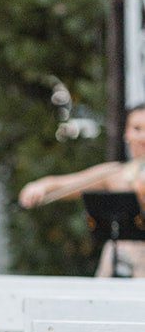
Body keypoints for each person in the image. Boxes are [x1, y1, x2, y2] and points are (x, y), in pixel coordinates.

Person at [19, 103, 145, 276]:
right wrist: (40, 186)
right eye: (137, 128)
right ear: (127, 133)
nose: (142, 137)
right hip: (119, 259)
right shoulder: (116, 172)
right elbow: (70, 183)